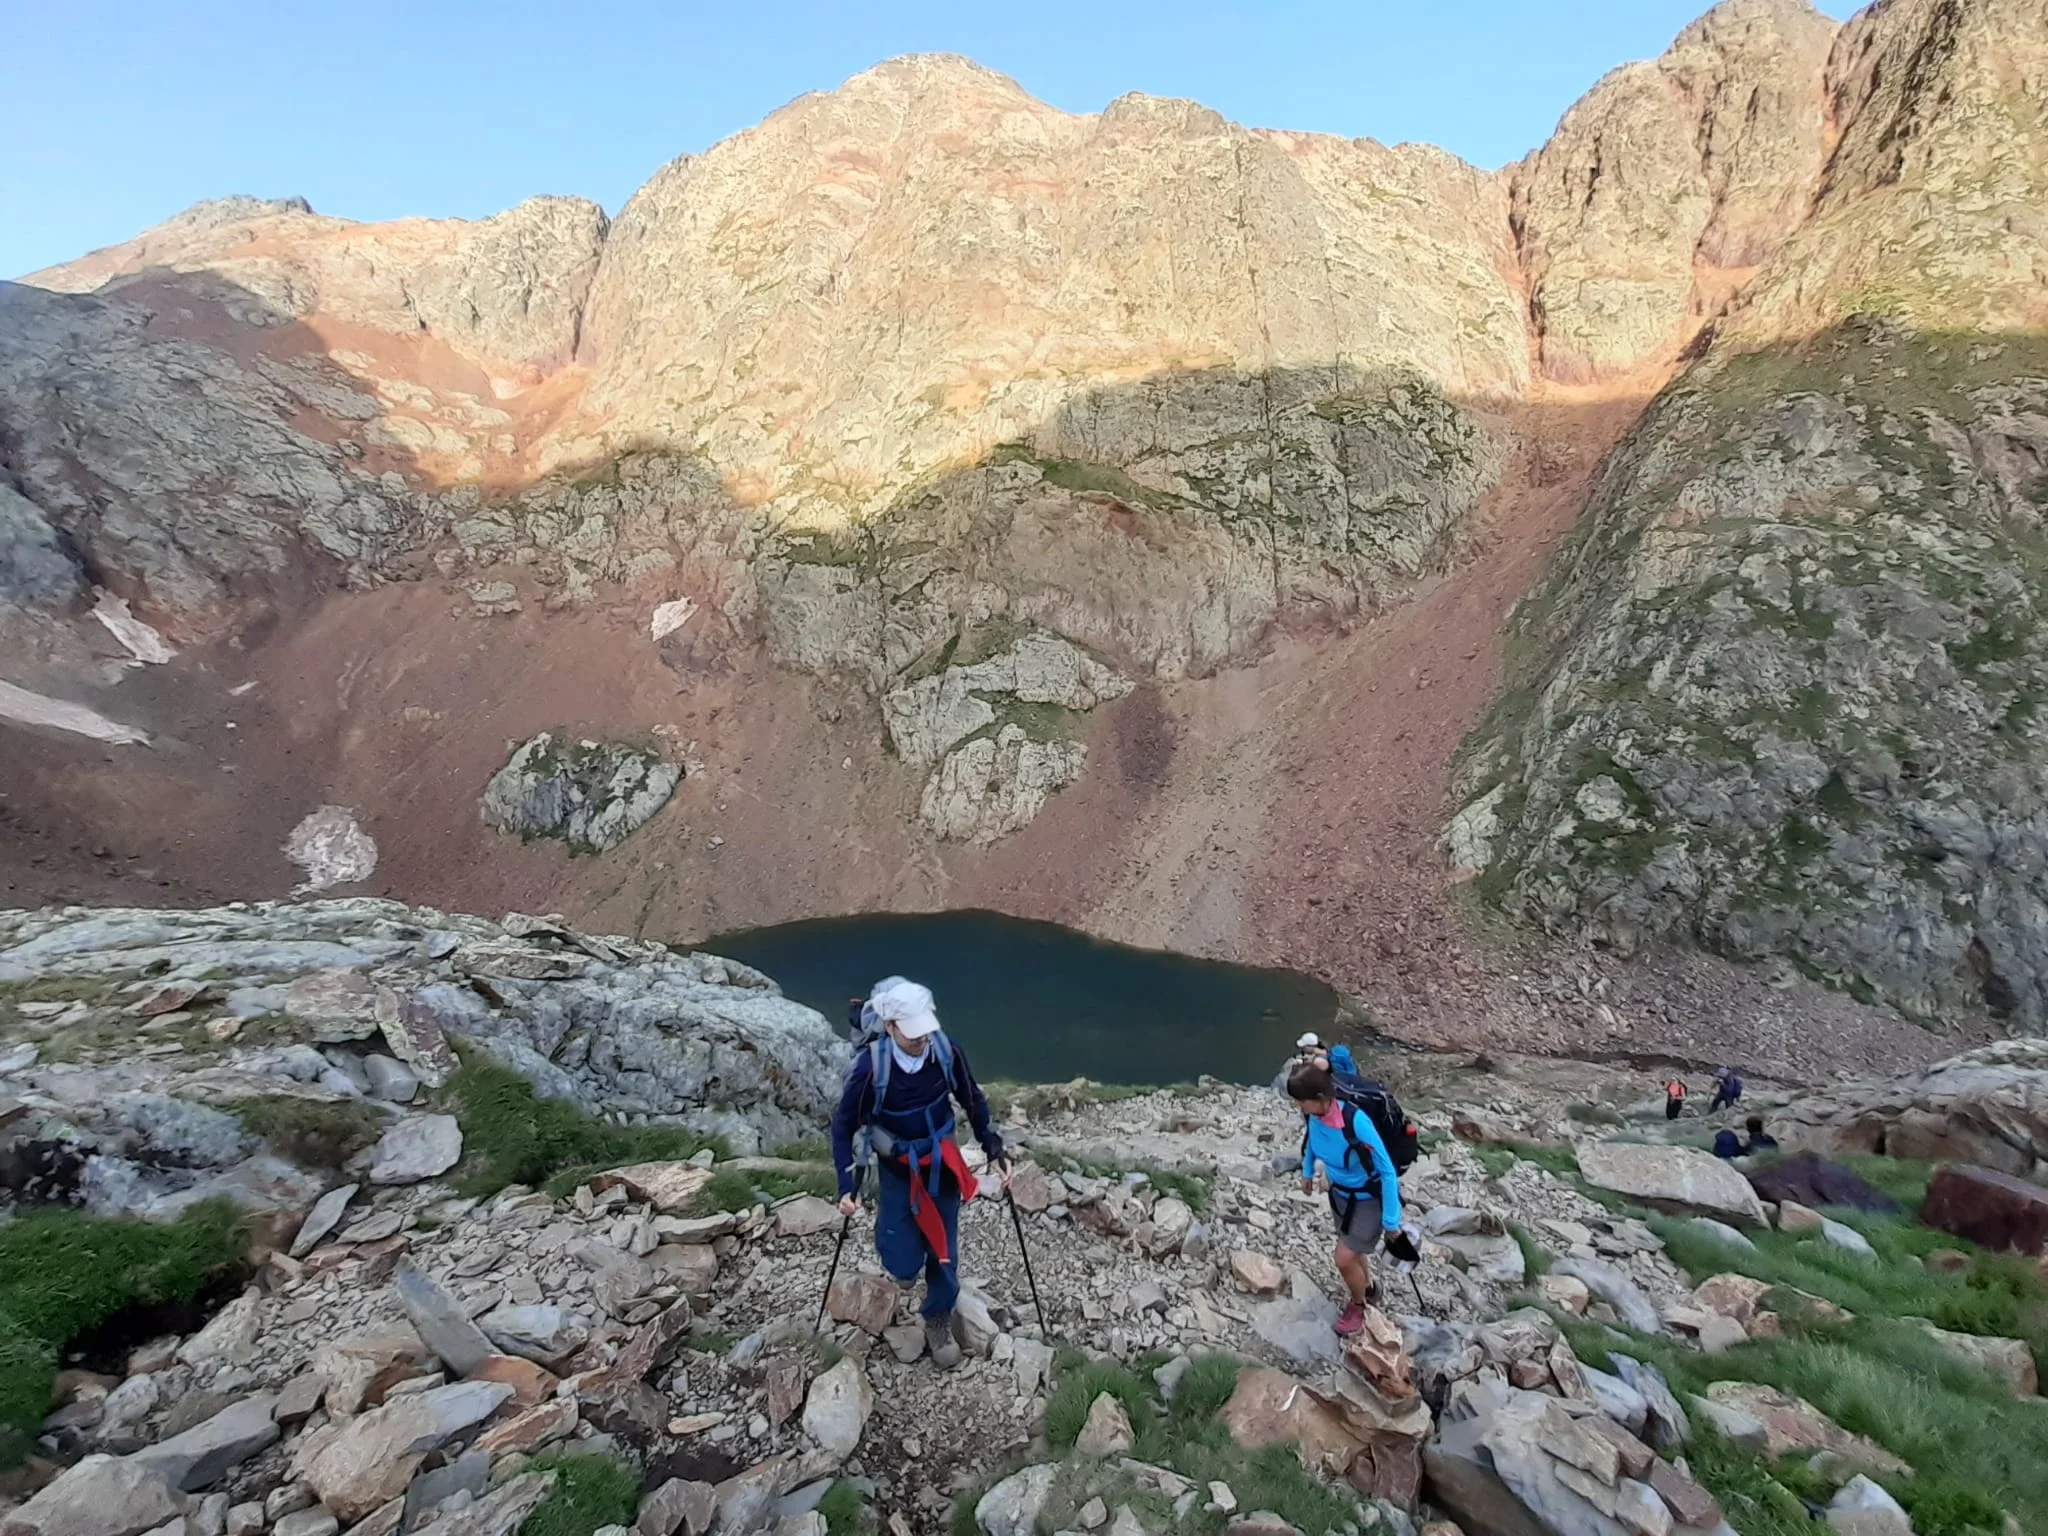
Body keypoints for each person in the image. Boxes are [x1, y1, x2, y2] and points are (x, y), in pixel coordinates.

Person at [829, 977, 1006, 1370]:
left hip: (941, 1162)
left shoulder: (945, 1050)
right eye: (912, 1034)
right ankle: (903, 1268)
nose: (922, 1039)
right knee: (900, 1255)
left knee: (944, 1247)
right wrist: (847, 1187)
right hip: (897, 1169)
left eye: (926, 1030)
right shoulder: (870, 1069)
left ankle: (938, 1317)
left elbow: (971, 1097)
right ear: (890, 1027)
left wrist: (991, 1143)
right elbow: (843, 1128)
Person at [1288, 1059, 1414, 1337]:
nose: (1299, 1107)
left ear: (1320, 1098)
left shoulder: (1355, 1121)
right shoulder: (1315, 1116)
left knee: (1343, 1258)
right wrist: (1307, 1171)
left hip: (1368, 1199)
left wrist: (1391, 1222)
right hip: (1341, 1196)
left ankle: (1358, 1305)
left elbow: (1387, 1171)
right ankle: (1369, 1290)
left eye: (1301, 1101)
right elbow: (1311, 1142)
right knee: (1353, 1252)